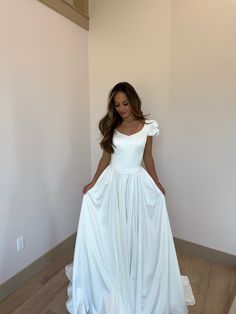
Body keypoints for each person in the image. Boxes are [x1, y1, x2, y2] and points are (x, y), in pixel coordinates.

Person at [65, 82, 194, 314]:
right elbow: (106, 159)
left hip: (136, 183)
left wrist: (156, 183)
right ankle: (113, 276)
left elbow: (148, 158)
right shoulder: (112, 127)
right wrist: (94, 182)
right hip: (112, 183)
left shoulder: (148, 126)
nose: (122, 108)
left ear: (133, 101)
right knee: (113, 233)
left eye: (125, 103)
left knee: (135, 233)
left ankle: (135, 276)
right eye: (117, 105)